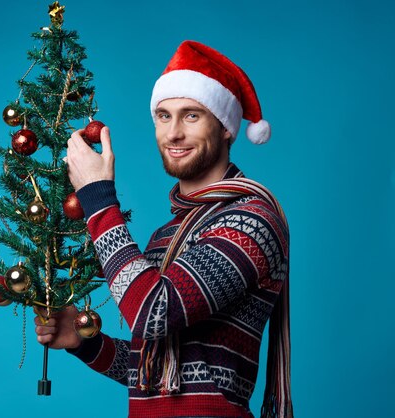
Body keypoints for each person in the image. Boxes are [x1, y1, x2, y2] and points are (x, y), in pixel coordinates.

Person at [34, 40, 293, 418]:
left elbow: (154, 312)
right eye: (163, 115)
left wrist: (98, 200)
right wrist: (85, 343)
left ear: (226, 129)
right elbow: (157, 373)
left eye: (191, 116)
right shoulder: (166, 235)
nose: (172, 133)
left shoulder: (252, 219)